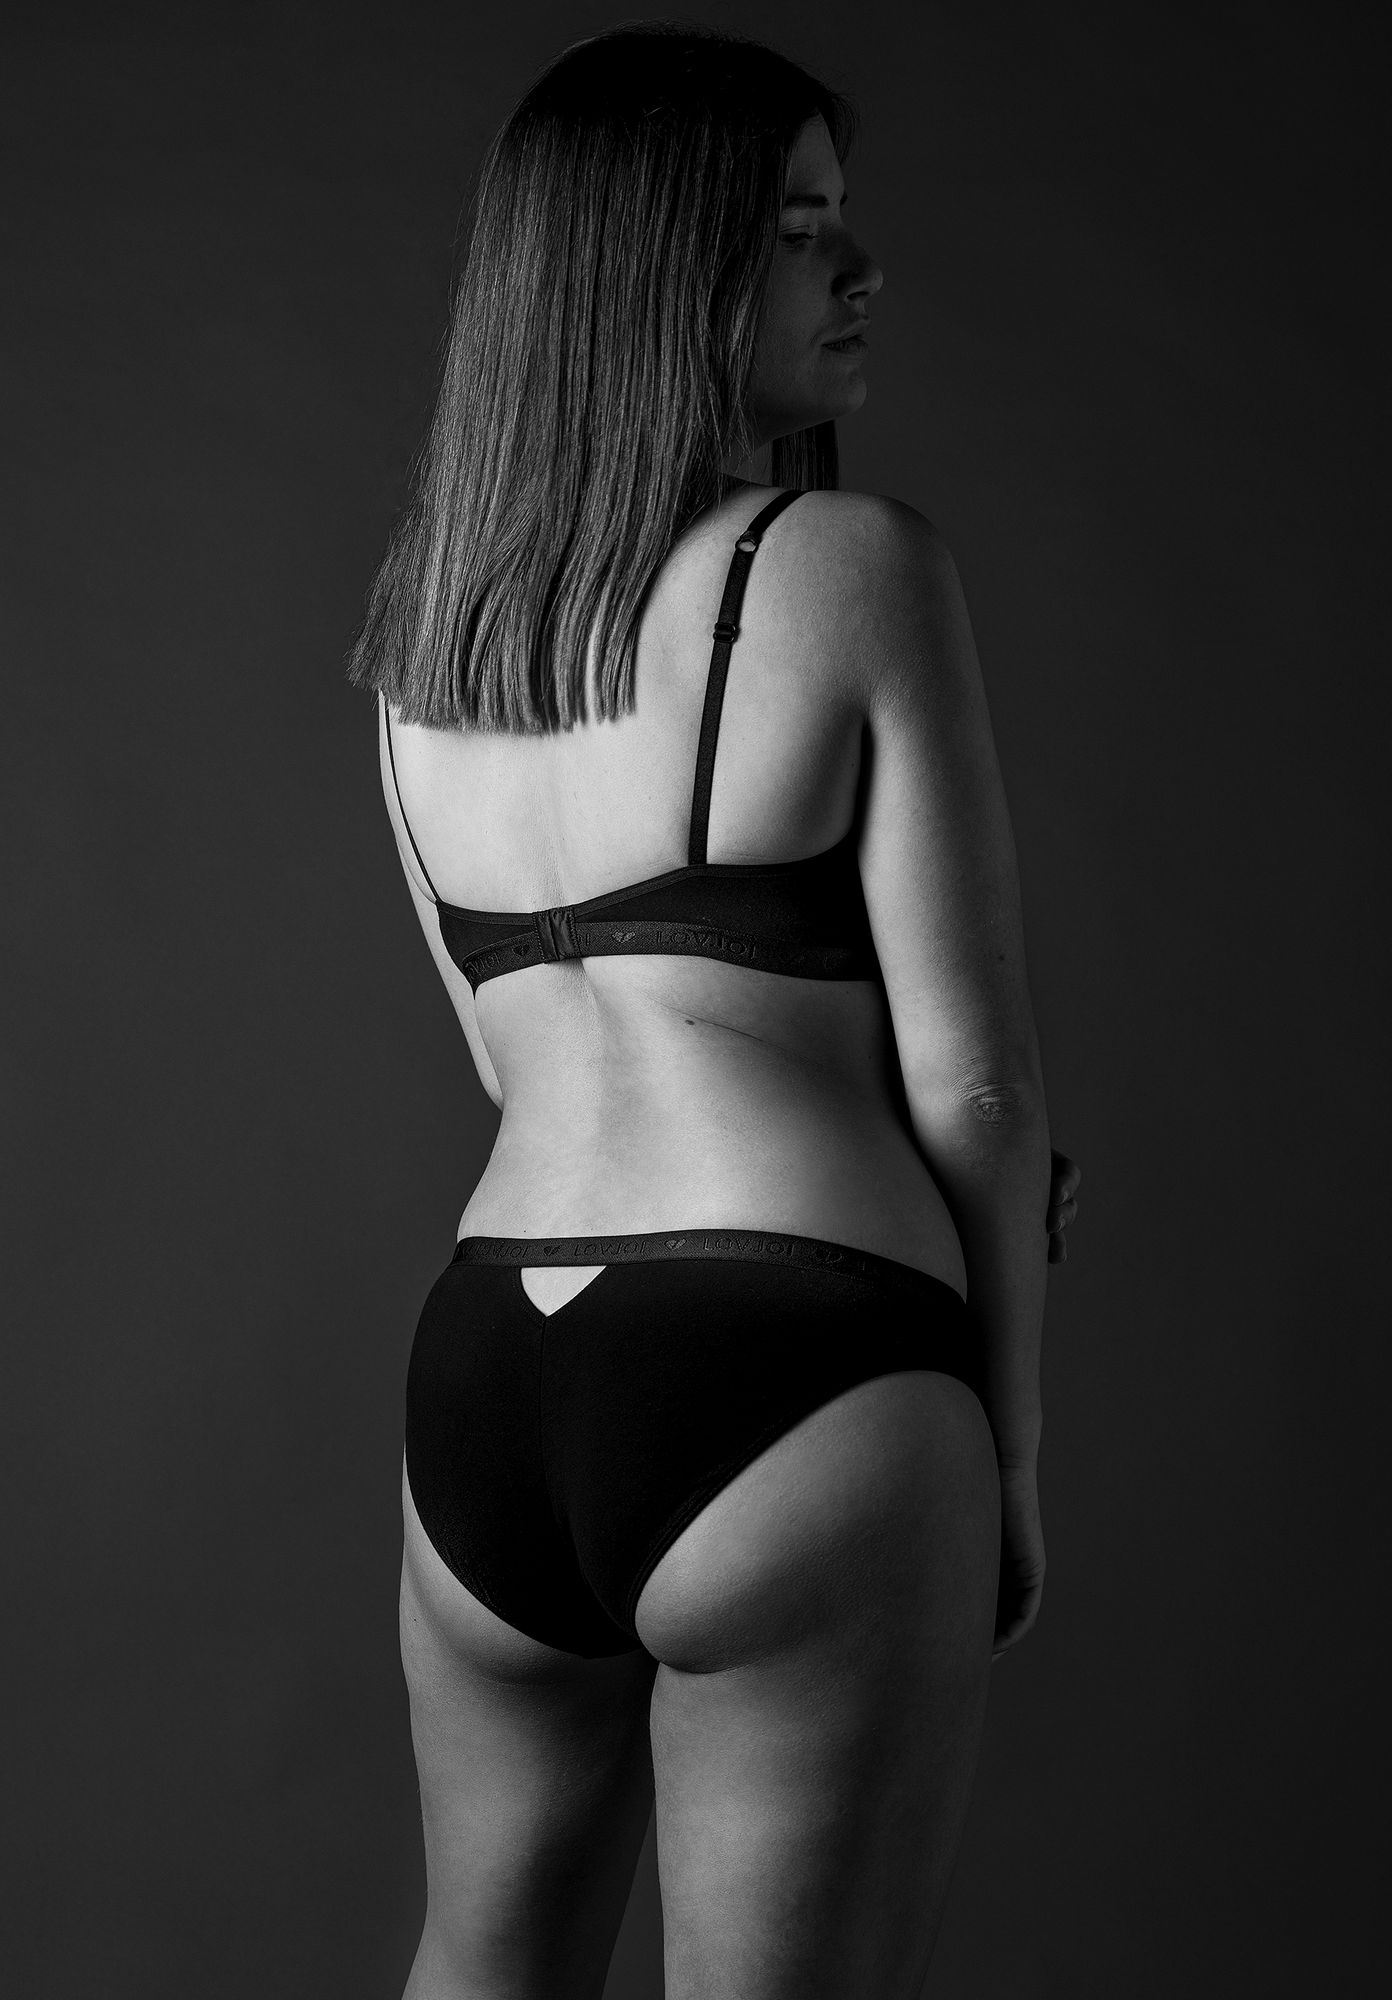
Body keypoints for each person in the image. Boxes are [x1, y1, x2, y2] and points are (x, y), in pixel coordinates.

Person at [349, 23, 1080, 1999]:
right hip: (799, 1364)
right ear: (659, 273)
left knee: (479, 1961)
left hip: (492, 1378)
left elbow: (512, 1056)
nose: (863, 271)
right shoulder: (849, 565)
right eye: (799, 228)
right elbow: (982, 1090)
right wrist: (1008, 1460)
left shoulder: (428, 653)